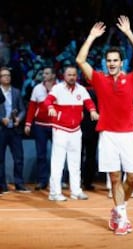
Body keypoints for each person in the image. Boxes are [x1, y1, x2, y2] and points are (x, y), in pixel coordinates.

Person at [76, 16, 133, 236]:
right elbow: (80, 60)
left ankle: (118, 210)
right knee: (115, 178)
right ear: (106, 63)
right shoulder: (99, 79)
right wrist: (91, 37)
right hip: (107, 134)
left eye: (115, 60)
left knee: (132, 178)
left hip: (127, 135)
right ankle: (121, 217)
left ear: (122, 62)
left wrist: (129, 33)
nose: (112, 63)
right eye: (109, 61)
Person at [44, 65, 98, 201]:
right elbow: (47, 100)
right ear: (64, 76)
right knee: (58, 163)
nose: (72, 77)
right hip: (60, 130)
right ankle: (54, 193)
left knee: (75, 163)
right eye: (69, 75)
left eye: (74, 75)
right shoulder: (57, 88)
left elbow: (88, 102)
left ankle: (76, 191)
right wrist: (50, 107)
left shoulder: (81, 89)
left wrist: (92, 110)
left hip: (75, 131)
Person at [24, 66, 57, 190]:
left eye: (47, 73)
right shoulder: (37, 88)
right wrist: (28, 123)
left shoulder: (59, 87)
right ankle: (42, 181)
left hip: (55, 126)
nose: (44, 75)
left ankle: (57, 181)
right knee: (41, 155)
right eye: (43, 73)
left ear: (53, 75)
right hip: (40, 127)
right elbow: (32, 107)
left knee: (57, 155)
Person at [0, 67, 31, 193]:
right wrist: (1, 119)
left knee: (19, 158)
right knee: (0, 159)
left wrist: (19, 119)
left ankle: (19, 183)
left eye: (8, 75)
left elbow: (23, 109)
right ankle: (2, 185)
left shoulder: (16, 92)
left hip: (15, 130)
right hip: (1, 129)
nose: (7, 77)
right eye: (4, 75)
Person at [80, 85, 98, 191]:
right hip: (81, 127)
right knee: (81, 156)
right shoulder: (80, 90)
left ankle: (87, 181)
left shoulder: (98, 91)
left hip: (92, 127)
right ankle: (83, 181)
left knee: (90, 156)